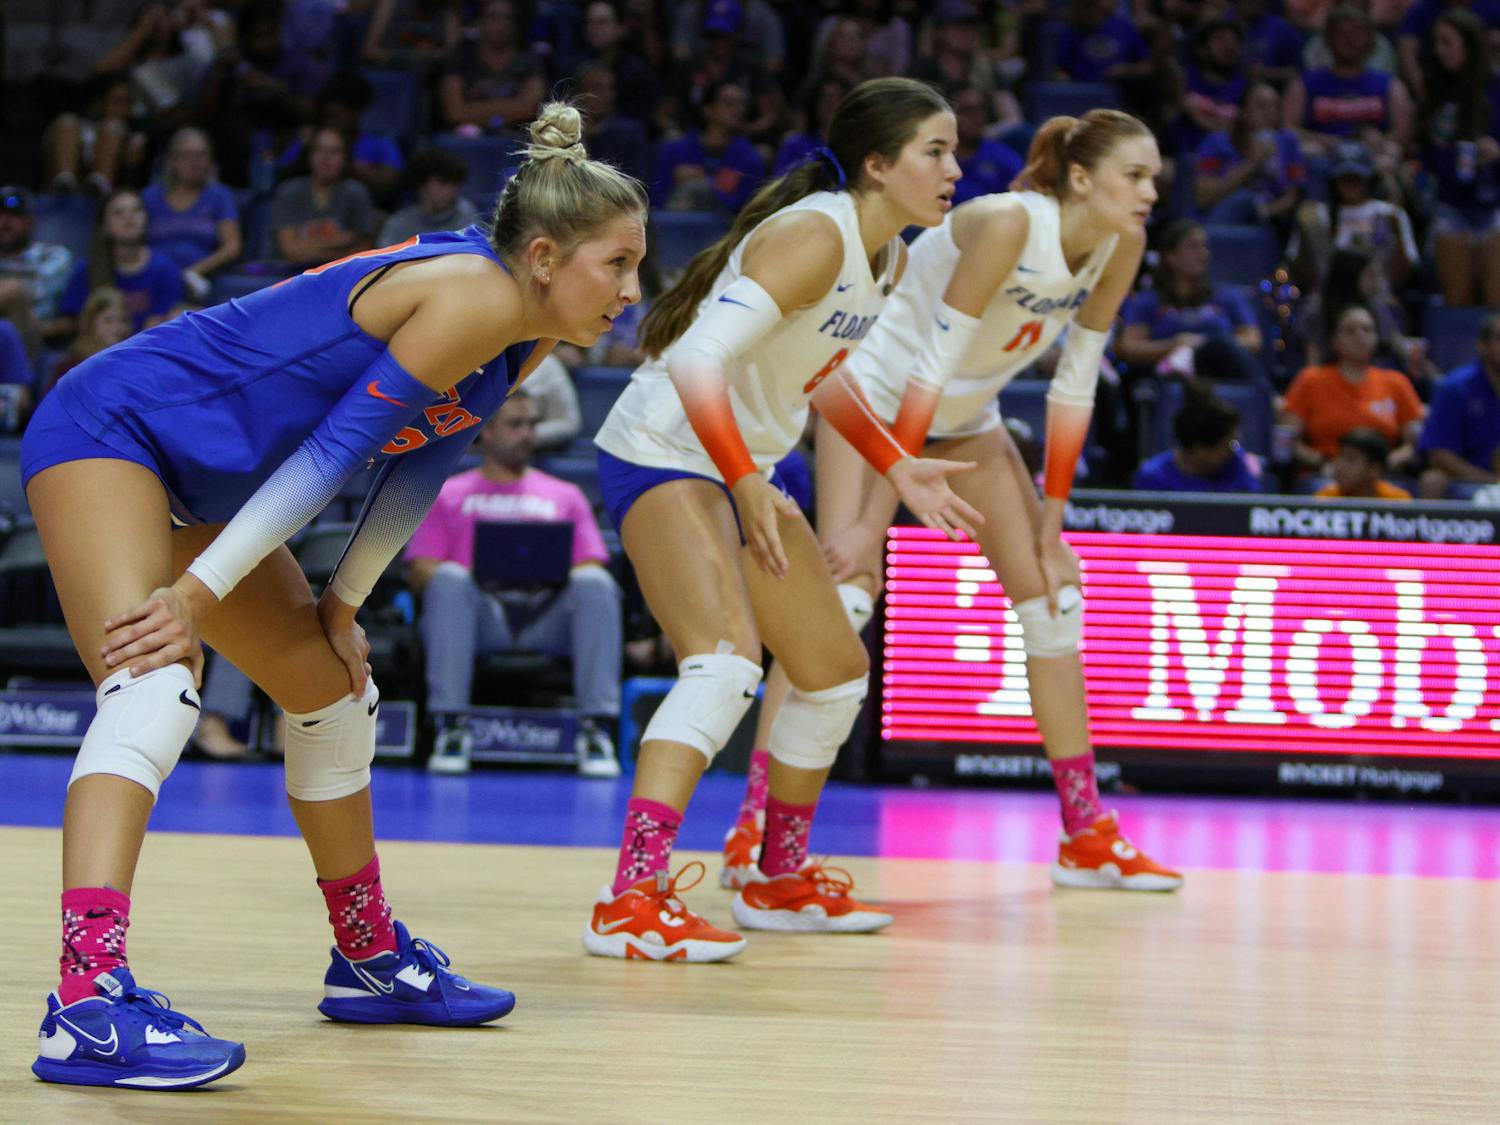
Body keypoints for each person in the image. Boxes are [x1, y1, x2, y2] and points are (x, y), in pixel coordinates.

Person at [18, 102, 646, 1089]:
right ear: (542, 255)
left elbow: (417, 466)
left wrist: (344, 605)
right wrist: (191, 596)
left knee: (332, 688)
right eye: (616, 264)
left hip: (208, 483)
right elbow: (331, 454)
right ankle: (85, 1003)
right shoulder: (475, 294)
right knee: (152, 679)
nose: (631, 290)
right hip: (117, 428)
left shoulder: (521, 333)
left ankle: (365, 956)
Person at [720, 109, 1184, 897]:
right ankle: (753, 827)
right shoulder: (1008, 222)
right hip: (878, 404)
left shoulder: (1123, 245)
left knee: (1052, 600)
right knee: (842, 600)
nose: (1149, 193)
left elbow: (1075, 386)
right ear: (1080, 178)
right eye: (1135, 176)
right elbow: (928, 365)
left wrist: (1052, 523)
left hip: (966, 418)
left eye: (1154, 180)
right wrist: (872, 523)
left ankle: (1086, 833)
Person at [589, 76, 975, 961]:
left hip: (738, 465)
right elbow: (693, 363)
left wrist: (895, 462)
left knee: (834, 667)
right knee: (723, 664)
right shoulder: (814, 234)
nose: (956, 168)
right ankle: (629, 899)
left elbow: (822, 370)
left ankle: (776, 877)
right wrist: (746, 479)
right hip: (667, 446)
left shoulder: (890, 257)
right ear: (877, 165)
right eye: (936, 151)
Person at [406, 389, 621, 777]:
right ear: (486, 432)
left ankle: (596, 730)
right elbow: (422, 570)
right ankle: (450, 727)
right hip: (480, 616)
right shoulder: (450, 494)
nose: (527, 434)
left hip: (546, 616)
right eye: (516, 425)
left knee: (595, 584)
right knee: (449, 579)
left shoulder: (565, 495)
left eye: (532, 425)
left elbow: (591, 563)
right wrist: (476, 571)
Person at [1114, 219, 1265, 385]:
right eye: (1193, 247)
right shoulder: (1147, 301)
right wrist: (1173, 345)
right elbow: (1128, 347)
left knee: (1220, 344)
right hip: (1166, 380)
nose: (1203, 254)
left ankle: (1266, 396)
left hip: (1222, 375)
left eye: (1204, 246)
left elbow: (1253, 340)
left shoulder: (1228, 296)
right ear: (1170, 257)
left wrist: (1203, 343)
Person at [1281, 303, 1424, 476]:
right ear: (1334, 341)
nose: (1360, 336)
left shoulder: (1397, 382)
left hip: (1381, 476)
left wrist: (1385, 464)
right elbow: (1288, 440)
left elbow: (1414, 443)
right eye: (1350, 331)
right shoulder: (1310, 380)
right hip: (1325, 473)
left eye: (1367, 330)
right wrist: (1322, 463)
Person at [56, 190, 185, 337]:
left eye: (136, 210)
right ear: (104, 226)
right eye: (118, 213)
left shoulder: (167, 271)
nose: (129, 217)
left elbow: (165, 326)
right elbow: (72, 322)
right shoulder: (86, 270)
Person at [142, 127, 243, 301]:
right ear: (172, 160)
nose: (194, 161)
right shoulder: (149, 197)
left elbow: (232, 246)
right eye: (186, 155)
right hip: (153, 280)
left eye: (201, 154)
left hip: (200, 281)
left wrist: (192, 272)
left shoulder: (219, 196)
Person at [269, 126, 379, 269]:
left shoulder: (356, 194)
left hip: (341, 276)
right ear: (309, 155)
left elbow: (364, 251)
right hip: (290, 278)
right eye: (319, 150)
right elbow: (291, 251)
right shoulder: (289, 192)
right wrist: (346, 239)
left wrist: (306, 244)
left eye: (335, 151)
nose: (326, 158)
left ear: (346, 157)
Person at [1419, 312, 1500, 498]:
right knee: (1432, 480)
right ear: (1483, 345)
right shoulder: (1455, 388)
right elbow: (1439, 454)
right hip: (1472, 477)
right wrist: (1490, 480)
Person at [1133, 384, 1265, 493]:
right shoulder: (1153, 479)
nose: (1235, 448)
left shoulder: (1236, 464)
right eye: (1229, 444)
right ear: (1199, 450)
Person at [0, 186, 75, 355]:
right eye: (0, 214)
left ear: (30, 222)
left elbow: (36, 294)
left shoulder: (53, 256)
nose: (4, 222)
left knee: (14, 291)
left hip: (31, 337)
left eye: (13, 216)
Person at [378, 149, 481, 245]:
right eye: (443, 183)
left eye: (454, 184)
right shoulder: (399, 225)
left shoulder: (466, 214)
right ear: (422, 184)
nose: (450, 191)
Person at [42, 287, 132, 396]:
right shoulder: (72, 364)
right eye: (108, 321)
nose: (117, 328)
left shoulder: (132, 360)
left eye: (123, 320)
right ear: (91, 323)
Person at [1316, 426, 1412, 498]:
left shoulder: (1397, 501)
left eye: (1350, 459)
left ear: (1374, 469)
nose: (1340, 465)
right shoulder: (1325, 499)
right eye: (1340, 457)